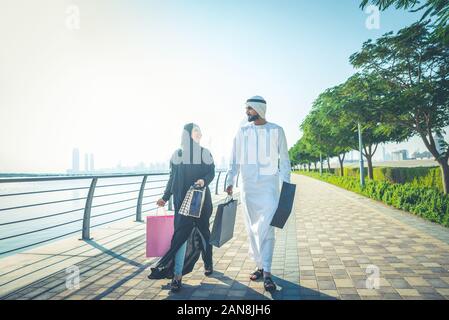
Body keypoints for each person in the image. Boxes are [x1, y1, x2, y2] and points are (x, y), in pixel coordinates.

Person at [226, 96, 291, 292]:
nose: (246, 112)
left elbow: (285, 161)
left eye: (250, 109)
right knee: (252, 229)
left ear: (260, 110)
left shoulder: (277, 130)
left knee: (267, 228)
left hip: (269, 188)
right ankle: (260, 266)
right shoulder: (242, 131)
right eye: (246, 109)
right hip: (248, 188)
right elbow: (234, 159)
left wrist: (286, 188)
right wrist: (230, 180)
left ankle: (268, 272)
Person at [148, 123, 215, 293]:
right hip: (182, 204)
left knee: (204, 233)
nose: (200, 133)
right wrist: (165, 197)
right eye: (196, 131)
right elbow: (172, 178)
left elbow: (211, 172)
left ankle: (208, 263)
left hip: (199, 202)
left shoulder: (205, 153)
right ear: (187, 134)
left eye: (200, 130)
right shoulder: (177, 154)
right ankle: (176, 276)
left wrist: (203, 181)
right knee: (179, 238)